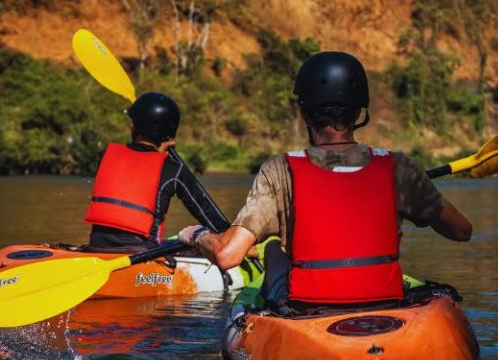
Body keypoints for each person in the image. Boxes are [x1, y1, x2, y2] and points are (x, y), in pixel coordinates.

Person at [178, 51, 472, 312]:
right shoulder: (399, 167)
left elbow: (227, 255)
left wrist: (197, 234)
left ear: (305, 114)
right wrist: (416, 193)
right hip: (385, 305)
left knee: (273, 250)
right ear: (359, 113)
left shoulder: (279, 170)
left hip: (307, 309)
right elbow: (461, 230)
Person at [84, 91, 230, 253]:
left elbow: (135, 170)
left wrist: (157, 152)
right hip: (141, 254)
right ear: (169, 134)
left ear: (135, 127)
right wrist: (231, 237)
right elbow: (206, 211)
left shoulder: (106, 154)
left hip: (96, 249)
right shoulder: (173, 168)